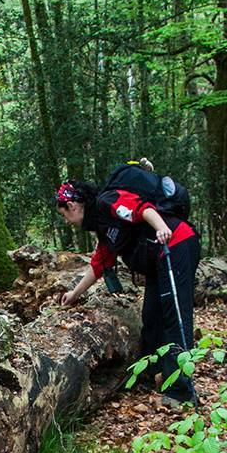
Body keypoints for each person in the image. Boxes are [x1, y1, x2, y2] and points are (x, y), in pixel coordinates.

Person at [56, 167, 201, 406]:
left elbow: (141, 209)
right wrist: (74, 294)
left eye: (64, 214)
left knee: (175, 318)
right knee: (152, 318)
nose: (66, 221)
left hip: (175, 244)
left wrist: (161, 227)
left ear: (72, 206)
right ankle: (154, 374)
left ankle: (181, 393)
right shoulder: (103, 227)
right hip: (159, 259)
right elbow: (99, 265)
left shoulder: (106, 202)